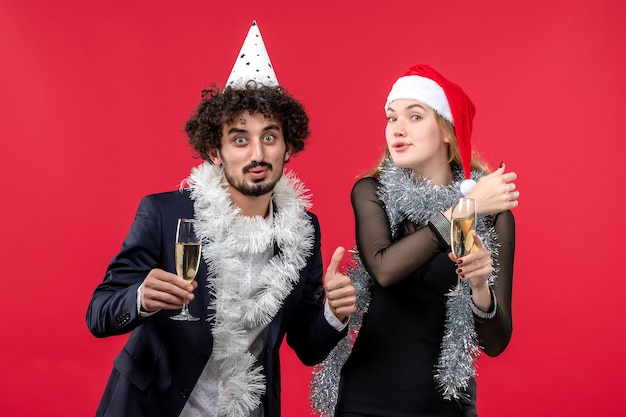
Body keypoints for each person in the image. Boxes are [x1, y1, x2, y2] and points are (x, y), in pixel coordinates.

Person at [86, 21, 356, 417]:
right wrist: (141, 297)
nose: (257, 154)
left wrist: (334, 312)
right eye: (239, 139)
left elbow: (307, 346)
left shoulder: (304, 231)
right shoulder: (164, 213)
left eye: (269, 137)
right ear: (215, 151)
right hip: (152, 407)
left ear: (288, 148)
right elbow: (99, 313)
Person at [310, 64, 518, 417]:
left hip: (447, 405)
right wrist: (465, 208)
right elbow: (384, 268)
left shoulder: (493, 216)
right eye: (392, 118)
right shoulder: (372, 191)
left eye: (415, 116)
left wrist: (481, 287)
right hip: (366, 402)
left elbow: (496, 342)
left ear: (447, 132)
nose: (398, 129)